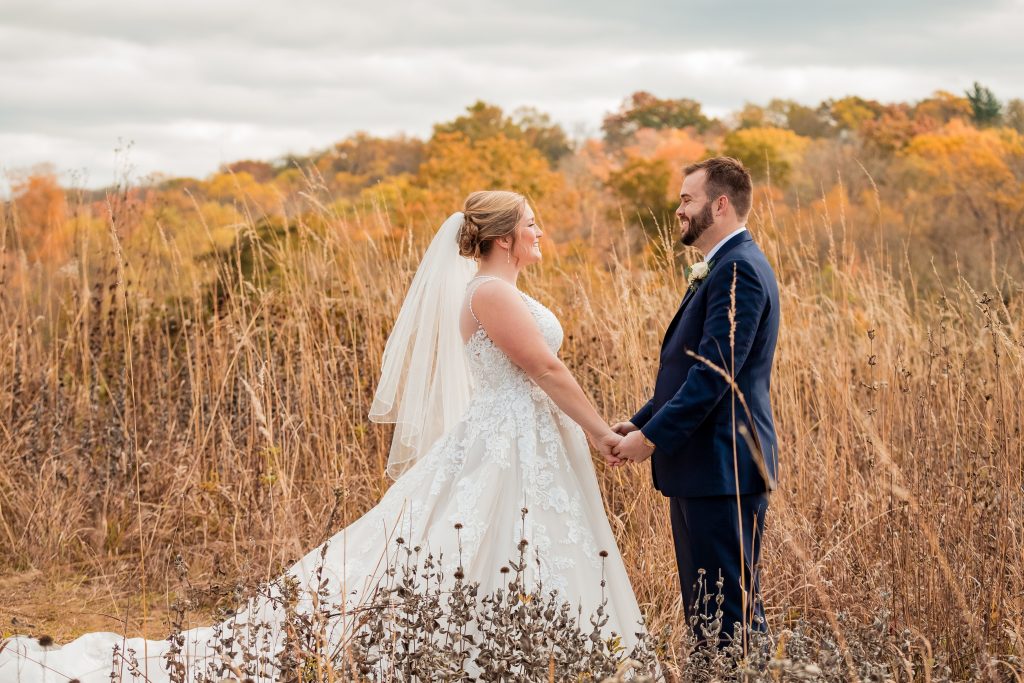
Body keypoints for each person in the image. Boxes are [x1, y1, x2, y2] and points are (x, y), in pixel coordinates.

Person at [0, 190, 645, 681]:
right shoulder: (492, 296)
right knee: (473, 537)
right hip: (507, 438)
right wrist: (597, 432)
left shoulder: (502, 291)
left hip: (525, 435)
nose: (540, 233)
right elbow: (543, 367)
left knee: (515, 539)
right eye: (531, 224)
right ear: (503, 237)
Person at [611, 157, 780, 647]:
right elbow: (689, 373)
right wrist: (640, 422)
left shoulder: (738, 271)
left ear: (720, 204)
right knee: (711, 617)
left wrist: (651, 439)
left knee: (728, 622)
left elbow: (715, 377)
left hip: (723, 469)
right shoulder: (726, 266)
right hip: (706, 469)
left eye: (688, 199)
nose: (679, 209)